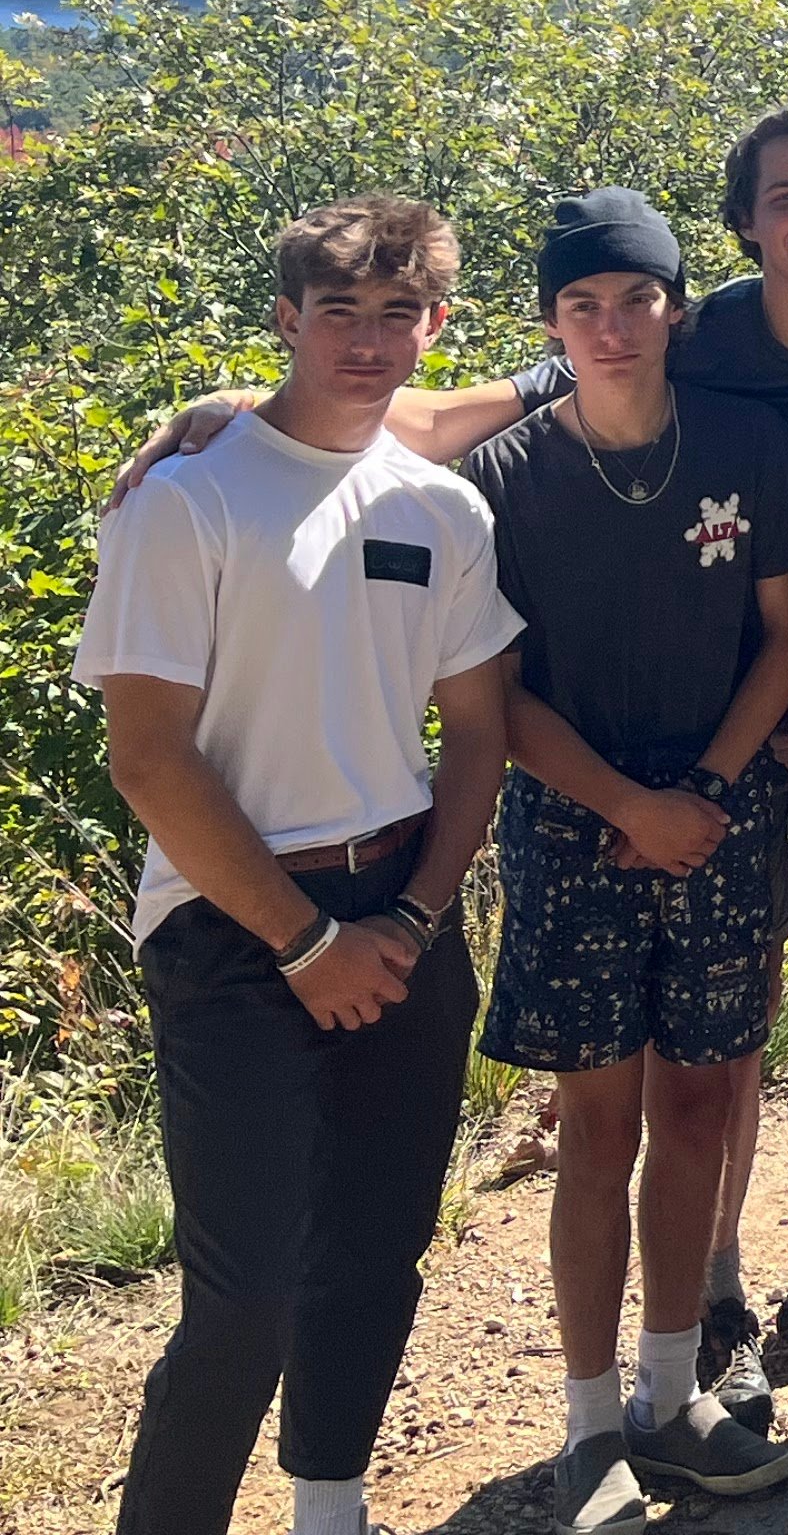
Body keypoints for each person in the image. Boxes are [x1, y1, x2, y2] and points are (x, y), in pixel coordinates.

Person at [109, 99, 788, 1408]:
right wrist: (234, 408)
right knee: (661, 1090)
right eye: (785, 199)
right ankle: (685, 1328)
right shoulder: (681, 343)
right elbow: (449, 437)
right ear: (745, 227)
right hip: (694, 765)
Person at [78, 196, 522, 1535]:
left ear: (435, 327)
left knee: (379, 1249)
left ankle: (332, 1505)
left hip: (398, 905)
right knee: (248, 1294)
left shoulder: (441, 507)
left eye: (401, 316)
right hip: (230, 924)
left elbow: (481, 733)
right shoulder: (188, 500)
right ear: (286, 320)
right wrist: (308, 942)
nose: (370, 341)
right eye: (342, 312)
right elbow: (149, 761)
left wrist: (412, 914)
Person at [468, 192, 788, 1519]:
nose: (612, 328)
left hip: (722, 815)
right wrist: (631, 806)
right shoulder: (501, 478)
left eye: (636, 300)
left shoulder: (749, 443)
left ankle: (676, 1395)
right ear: (553, 323)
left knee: (708, 1107)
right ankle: (590, 1423)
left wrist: (708, 790)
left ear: (676, 307)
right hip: (573, 832)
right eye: (582, 307)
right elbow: (496, 696)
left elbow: (782, 638)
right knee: (599, 1128)